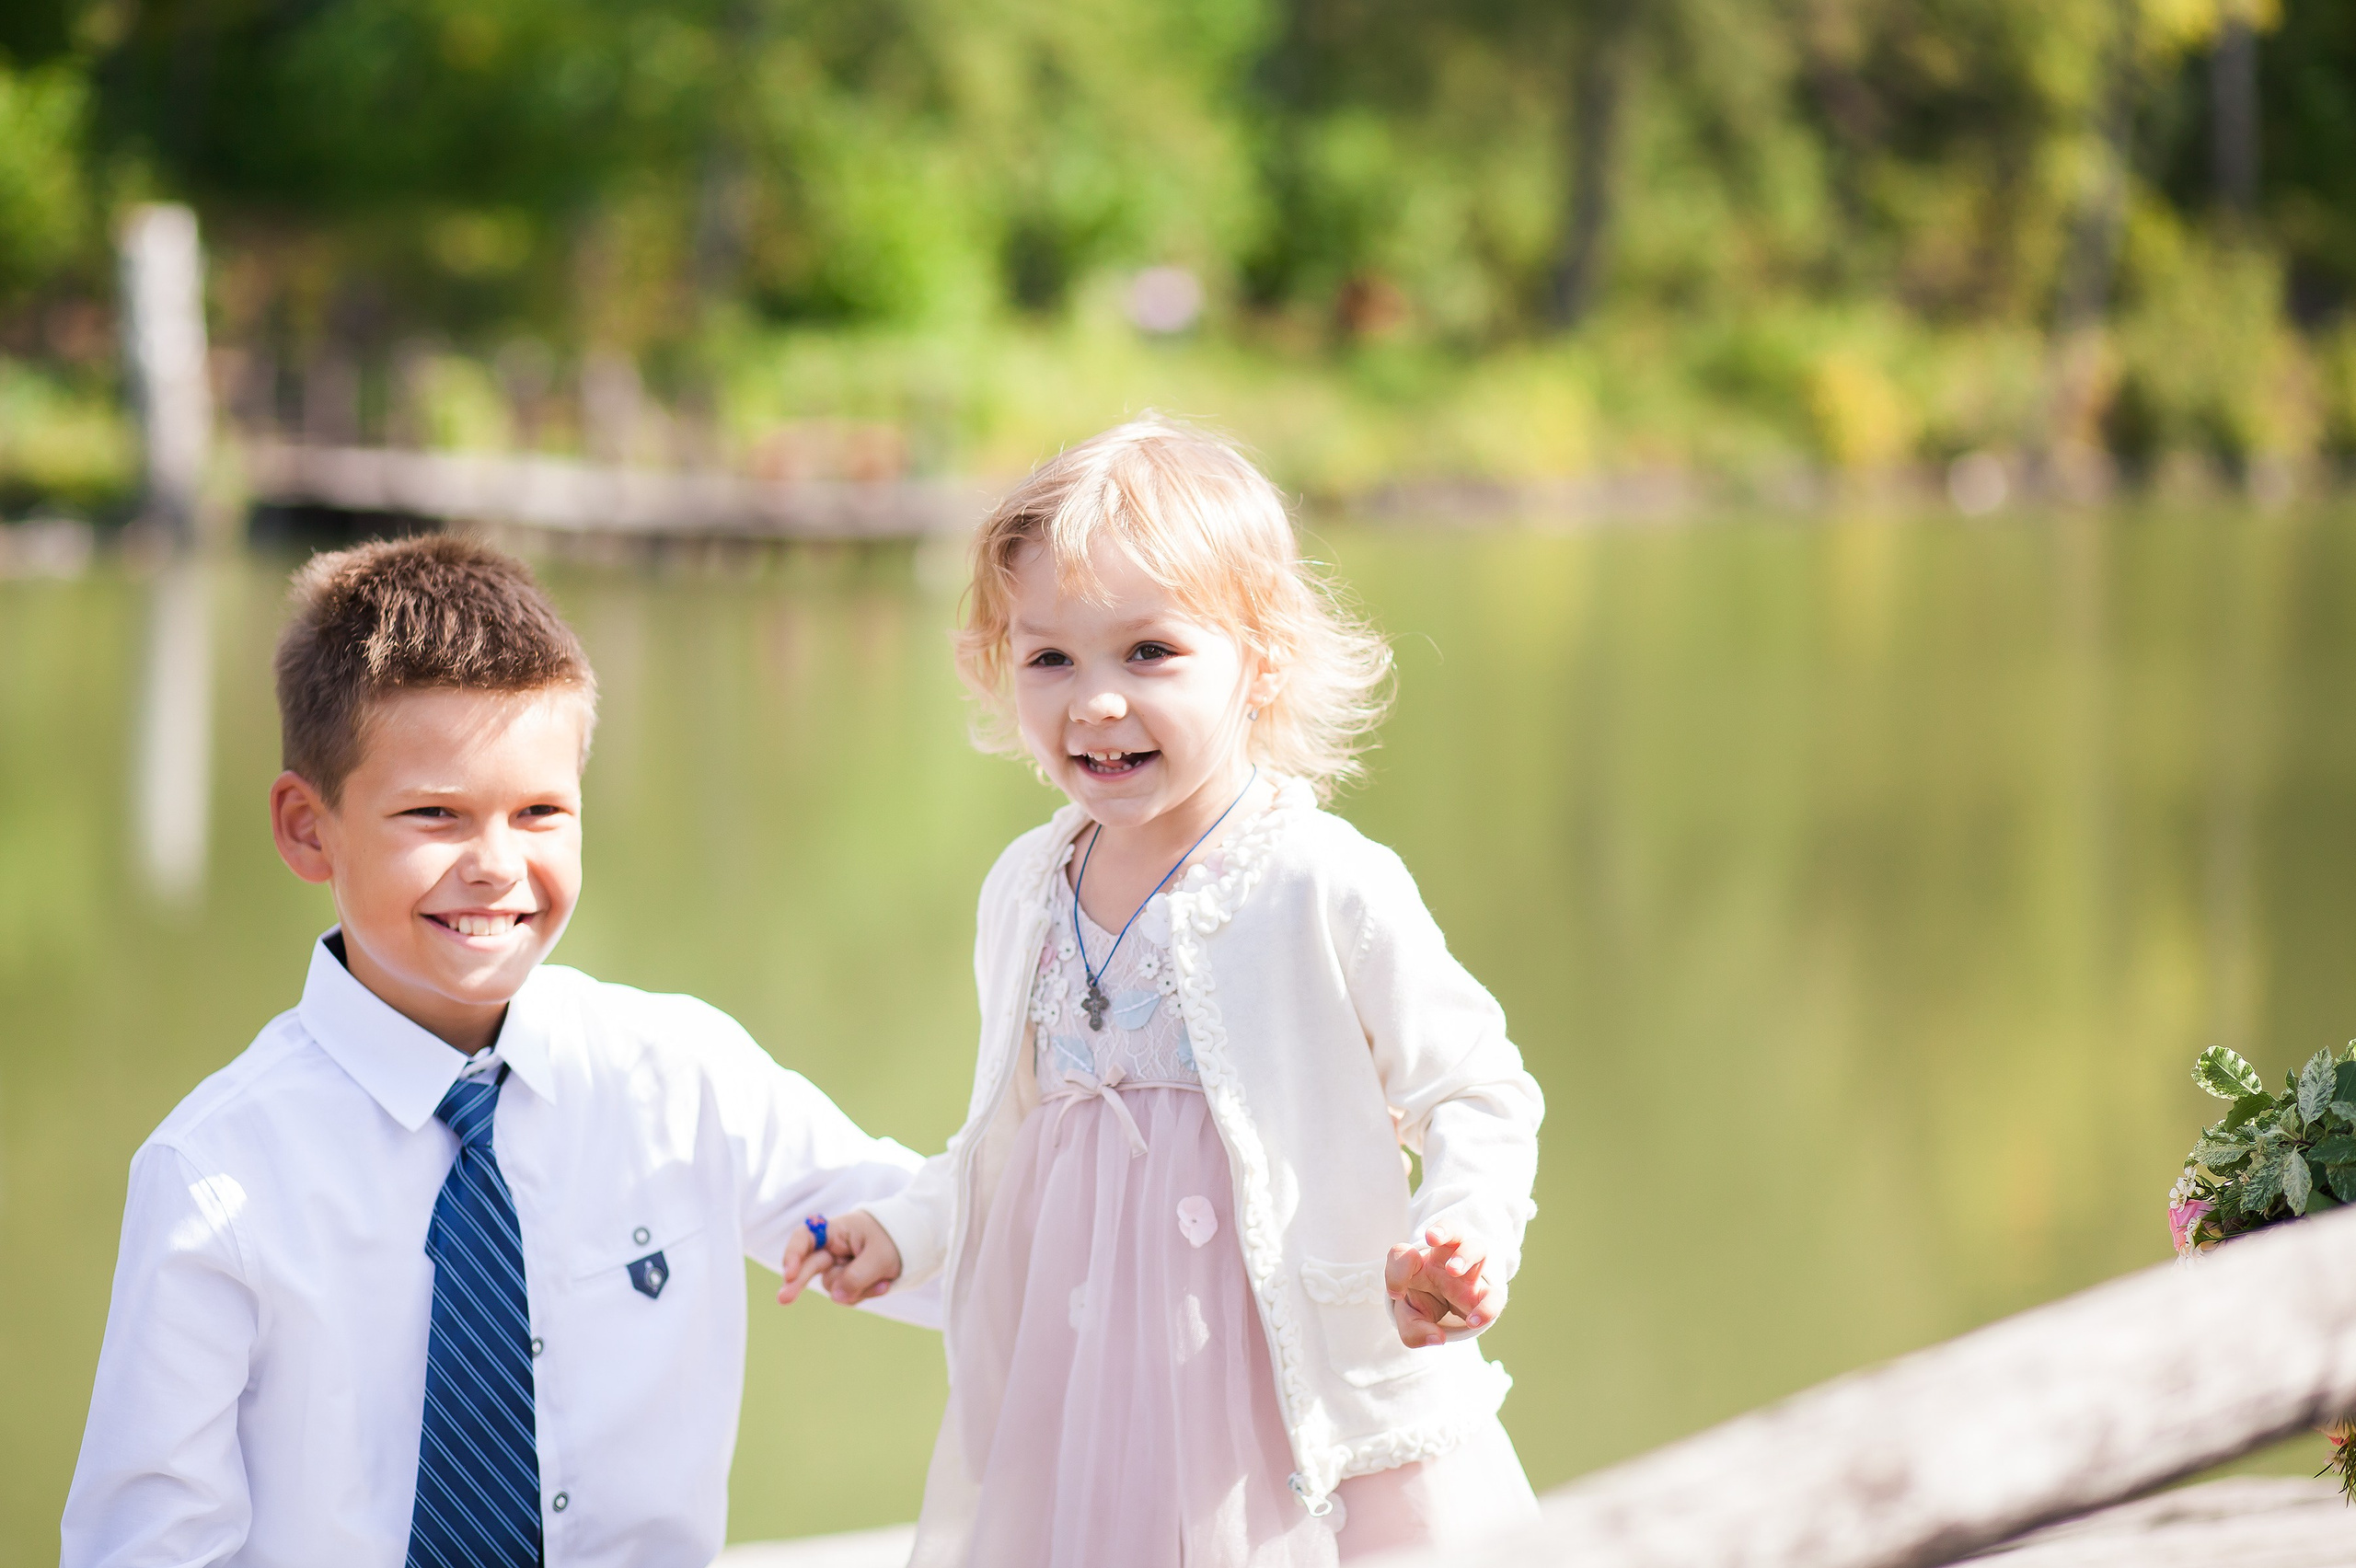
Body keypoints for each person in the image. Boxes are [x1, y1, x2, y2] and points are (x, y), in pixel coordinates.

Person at [64, 536, 930, 1568]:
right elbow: (149, 1544)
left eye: (540, 813)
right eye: (434, 814)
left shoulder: (678, 1076)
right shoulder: (217, 1179)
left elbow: (942, 1239)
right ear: (308, 830)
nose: (495, 866)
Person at [780, 418, 1545, 1564]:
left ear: (1262, 659)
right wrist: (909, 1229)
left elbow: (1477, 1089)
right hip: (1094, 1406)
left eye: (1149, 653)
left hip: (1279, 1410)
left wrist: (1460, 1233)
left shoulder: (1317, 882)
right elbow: (1008, 1133)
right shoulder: (1028, 888)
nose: (1094, 703)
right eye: (1050, 658)